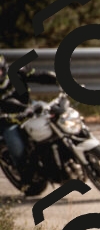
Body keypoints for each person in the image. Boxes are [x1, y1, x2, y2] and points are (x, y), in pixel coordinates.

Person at [0, 54, 57, 184]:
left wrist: (59, 80)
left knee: (57, 119)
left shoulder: (16, 72)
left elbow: (38, 76)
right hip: (7, 121)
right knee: (17, 147)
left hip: (30, 108)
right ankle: (25, 177)